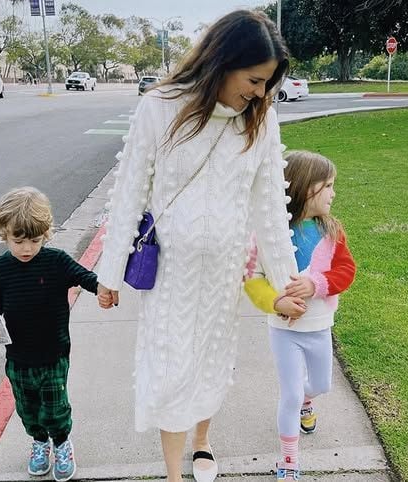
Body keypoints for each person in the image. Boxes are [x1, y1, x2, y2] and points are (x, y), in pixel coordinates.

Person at [96, 10, 300, 482]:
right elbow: (130, 192)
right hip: (170, 272)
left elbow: (270, 208)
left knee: (211, 360)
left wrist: (286, 284)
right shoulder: (161, 106)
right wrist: (109, 275)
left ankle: (203, 440)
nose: (259, 93)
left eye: (267, 84)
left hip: (225, 271)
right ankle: (173, 474)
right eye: (254, 79)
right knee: (170, 367)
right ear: (223, 62)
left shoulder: (260, 121)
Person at [244, 151, 356, 480]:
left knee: (320, 384)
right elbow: (252, 278)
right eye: (329, 186)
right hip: (284, 331)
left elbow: (346, 270)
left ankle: (309, 400)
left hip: (319, 328)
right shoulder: (268, 234)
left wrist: (316, 284)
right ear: (308, 189)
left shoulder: (332, 232)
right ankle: (289, 462)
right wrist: (277, 302)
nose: (334, 193)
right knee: (289, 394)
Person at [0, 186, 105, 482]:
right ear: (4, 234)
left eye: (34, 240)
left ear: (46, 233)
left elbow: (85, 277)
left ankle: (61, 443)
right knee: (28, 409)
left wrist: (103, 289)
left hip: (53, 355)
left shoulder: (56, 262)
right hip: (18, 358)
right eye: (18, 240)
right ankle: (39, 442)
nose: (26, 248)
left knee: (55, 408)